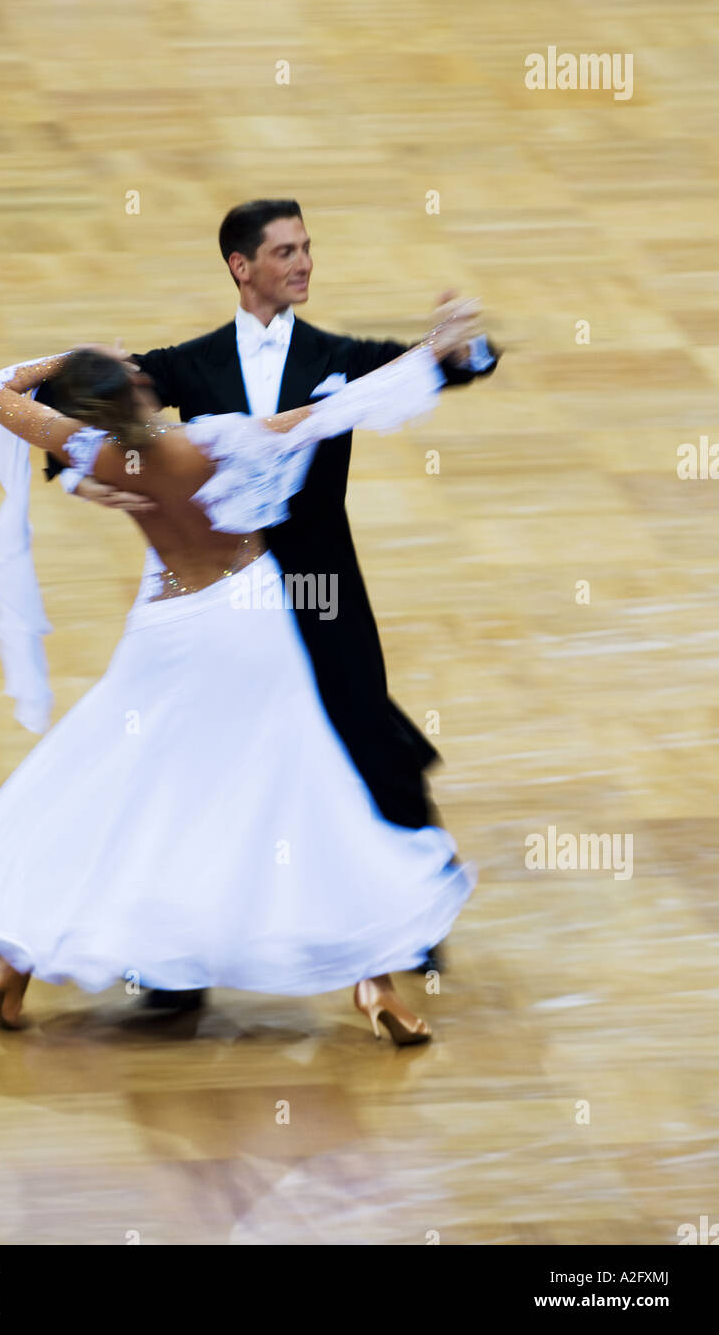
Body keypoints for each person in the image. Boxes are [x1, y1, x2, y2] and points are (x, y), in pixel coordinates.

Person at [0, 298, 481, 1045]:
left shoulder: (93, 453)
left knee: (113, 778)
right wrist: (432, 352)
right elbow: (335, 411)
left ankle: (12, 965)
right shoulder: (214, 443)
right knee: (302, 788)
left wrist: (67, 360)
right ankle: (374, 986)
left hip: (163, 631)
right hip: (248, 626)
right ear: (139, 391)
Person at [40, 199, 499, 1007]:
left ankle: (410, 925)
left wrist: (469, 346)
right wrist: (79, 480)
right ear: (239, 266)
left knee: (359, 723)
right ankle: (173, 964)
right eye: (284, 251)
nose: (303, 263)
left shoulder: (337, 354)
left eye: (308, 248)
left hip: (320, 586)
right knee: (196, 755)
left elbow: (433, 368)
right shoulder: (190, 362)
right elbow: (88, 404)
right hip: (220, 593)